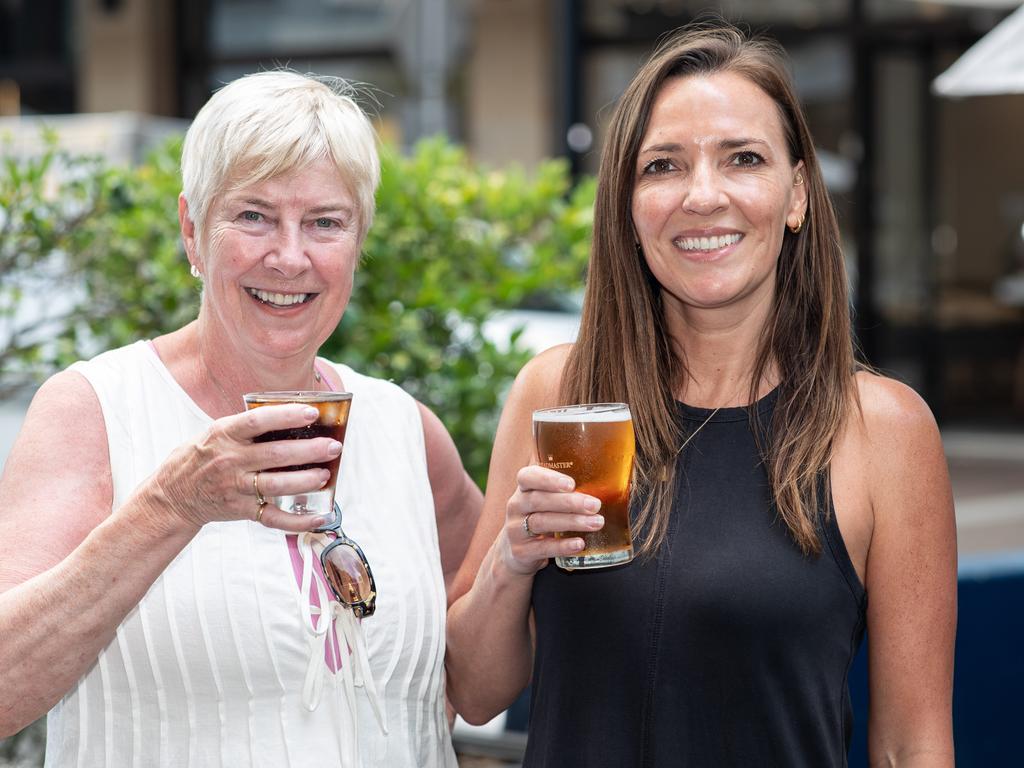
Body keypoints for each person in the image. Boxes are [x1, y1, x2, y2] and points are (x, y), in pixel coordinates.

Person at [446, 23, 956, 767]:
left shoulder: (882, 431)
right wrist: (511, 560)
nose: (702, 196)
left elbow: (913, 745)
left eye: (743, 159)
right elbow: (473, 689)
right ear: (628, 202)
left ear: (797, 196)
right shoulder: (558, 393)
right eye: (663, 166)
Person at [0, 71, 480, 767]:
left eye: (325, 222)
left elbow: (489, 667)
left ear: (358, 242)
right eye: (253, 216)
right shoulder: (96, 409)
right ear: (192, 231)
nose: (289, 256)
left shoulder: (407, 429)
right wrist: (170, 506)